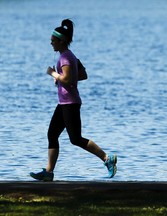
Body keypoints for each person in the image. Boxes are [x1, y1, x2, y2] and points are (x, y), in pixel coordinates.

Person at [30, 19, 117, 181]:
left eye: (53, 41)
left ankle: (107, 158)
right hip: (65, 103)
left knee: (75, 138)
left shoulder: (65, 58)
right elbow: (82, 74)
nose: (51, 44)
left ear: (61, 41)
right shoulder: (70, 56)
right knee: (52, 134)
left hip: (70, 104)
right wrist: (64, 78)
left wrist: (53, 74)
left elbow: (68, 79)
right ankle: (48, 173)